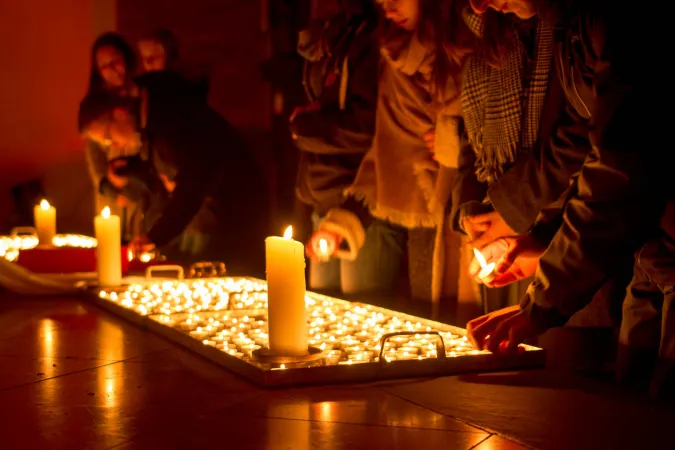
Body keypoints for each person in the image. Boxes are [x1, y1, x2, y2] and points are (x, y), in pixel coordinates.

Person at [464, 0, 666, 396]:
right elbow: (594, 148)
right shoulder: (571, 27)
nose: (477, 4)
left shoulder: (618, 19)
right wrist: (544, 233)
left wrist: (540, 304)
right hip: (649, 259)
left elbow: (620, 166)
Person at [306, 0, 474, 302]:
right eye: (382, 3)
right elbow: (386, 150)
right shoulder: (392, 55)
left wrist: (457, 141)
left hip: (463, 217)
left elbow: (499, 133)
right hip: (413, 212)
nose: (390, 9)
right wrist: (342, 223)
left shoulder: (468, 47)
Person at [79, 71, 270, 276]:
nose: (113, 145)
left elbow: (193, 182)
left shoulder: (170, 117)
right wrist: (128, 169)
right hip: (217, 215)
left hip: (236, 214)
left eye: (108, 137)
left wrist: (155, 236)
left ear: (119, 113)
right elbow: (163, 165)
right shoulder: (151, 122)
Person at [450, 5, 563, 313]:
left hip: (566, 235)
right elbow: (472, 138)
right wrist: (471, 211)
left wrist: (512, 212)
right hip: (504, 236)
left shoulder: (567, 32)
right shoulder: (489, 37)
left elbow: (577, 143)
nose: (477, 4)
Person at [291, 0, 379, 293]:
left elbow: (365, 128)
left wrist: (305, 127)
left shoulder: (364, 40)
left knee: (359, 309)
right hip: (324, 197)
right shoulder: (327, 46)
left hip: (358, 197)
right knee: (321, 305)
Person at [83, 32, 143, 240]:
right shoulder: (96, 107)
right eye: (103, 66)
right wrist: (106, 185)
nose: (111, 69)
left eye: (114, 60)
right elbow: (93, 152)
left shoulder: (143, 96)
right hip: (111, 194)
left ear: (126, 58)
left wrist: (135, 185)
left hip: (142, 191)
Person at [137, 28, 209, 100]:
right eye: (144, 58)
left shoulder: (186, 89)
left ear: (170, 57)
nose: (148, 63)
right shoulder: (140, 87)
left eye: (153, 58)